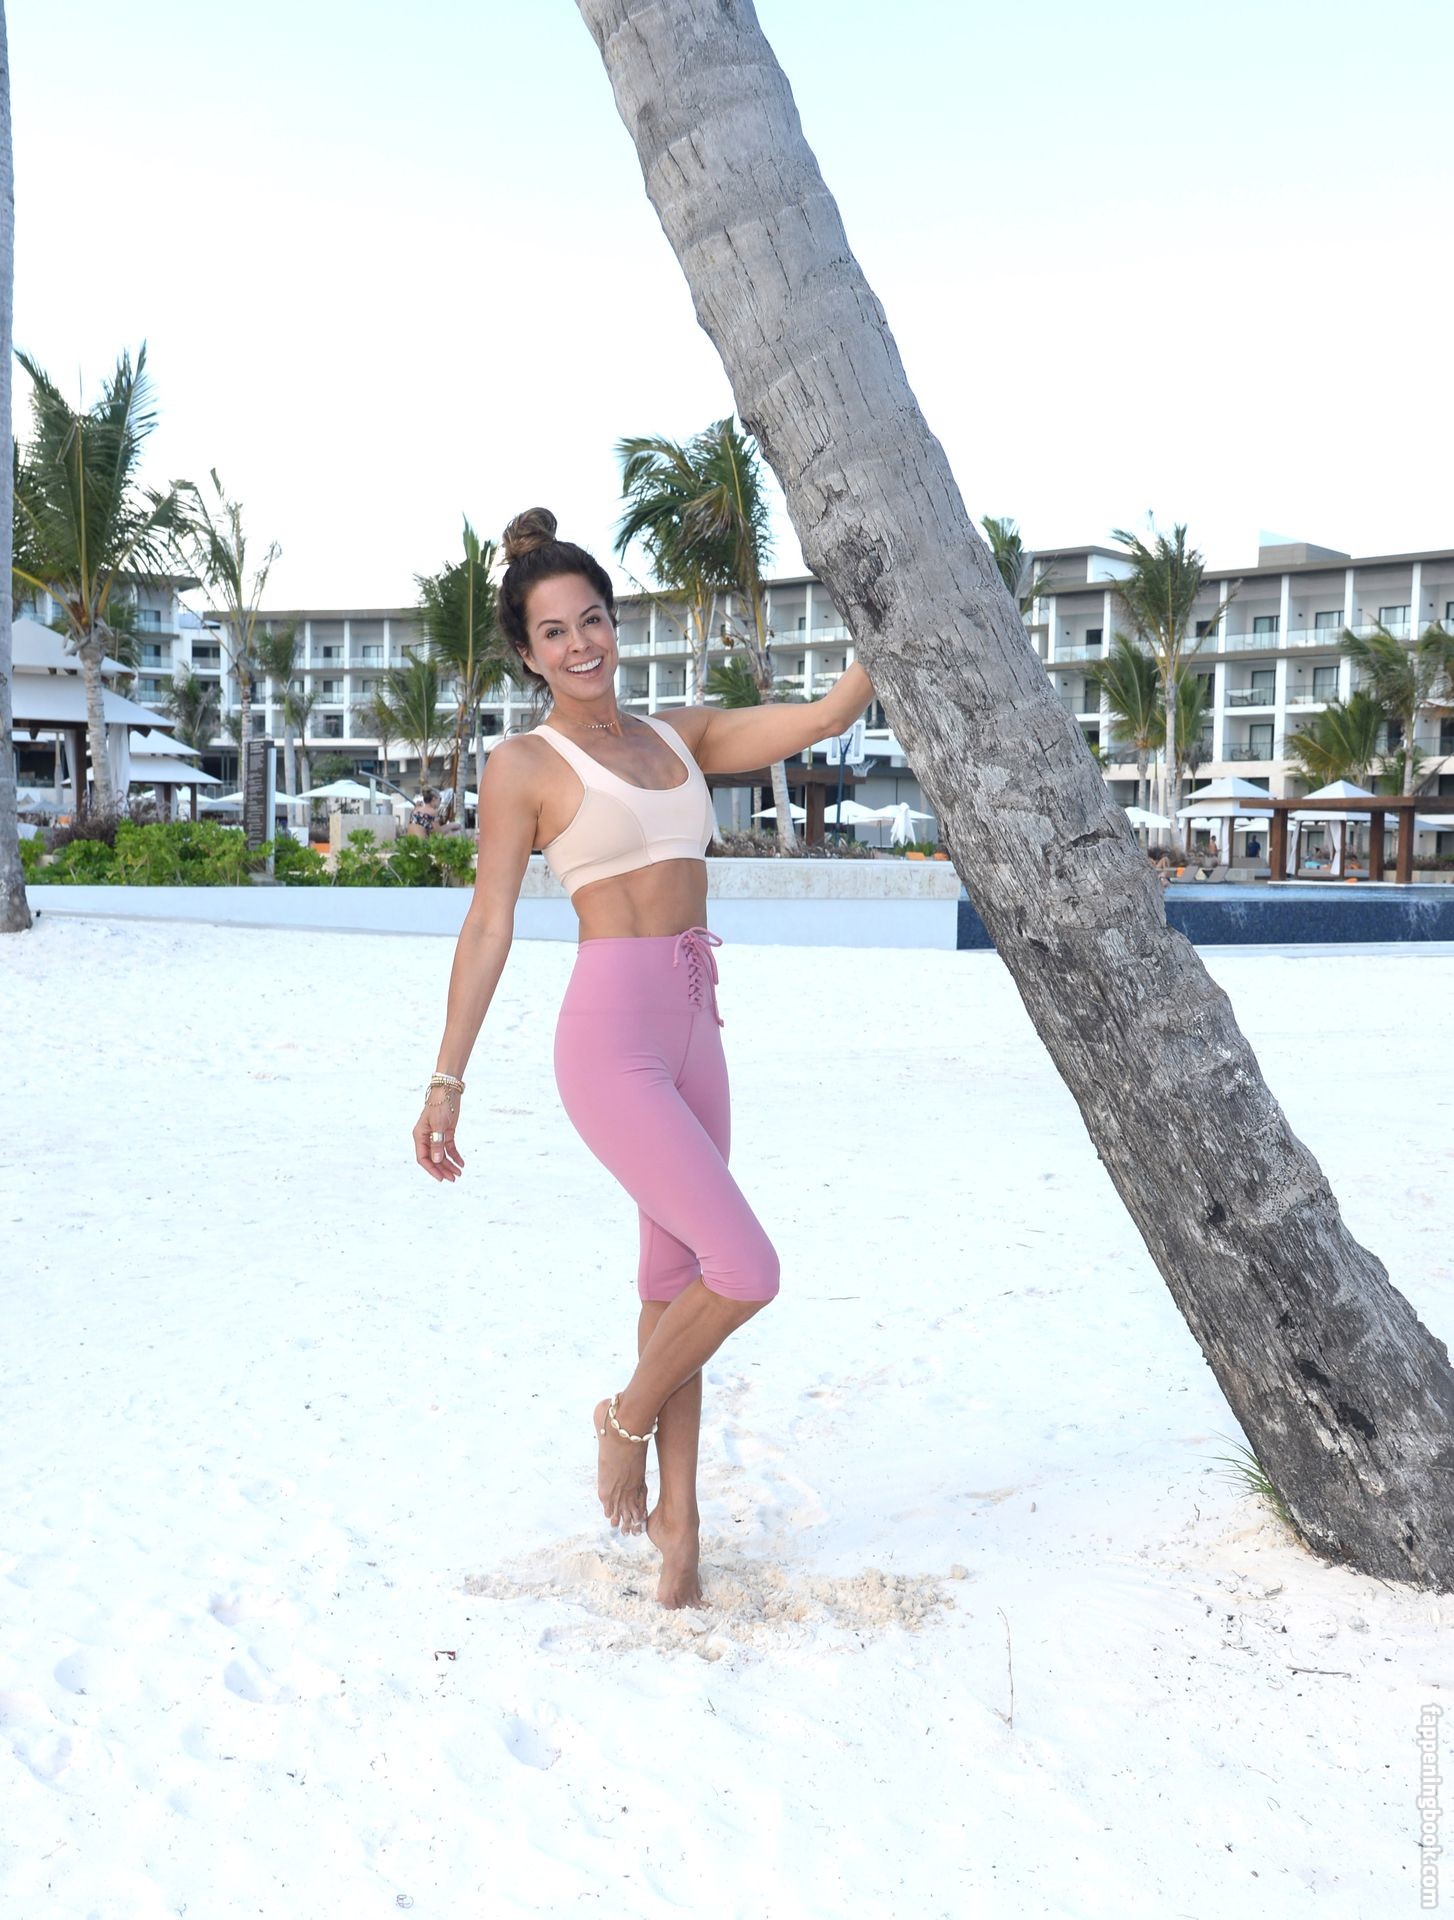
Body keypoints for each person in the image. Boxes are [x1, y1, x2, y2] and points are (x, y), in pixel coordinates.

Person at [414, 508, 874, 1611]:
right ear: (527, 653)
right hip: (611, 1037)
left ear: (613, 625)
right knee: (745, 1268)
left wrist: (888, 610)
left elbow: (828, 712)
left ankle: (680, 1527)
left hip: (697, 1020)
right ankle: (621, 1423)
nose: (581, 645)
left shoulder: (682, 737)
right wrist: (446, 1078)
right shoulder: (524, 764)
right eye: (554, 632)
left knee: (674, 1284)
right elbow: (488, 923)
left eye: (593, 621)